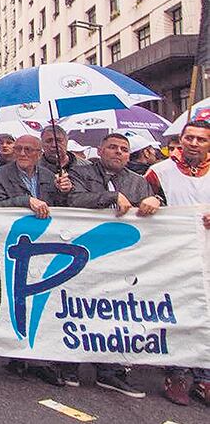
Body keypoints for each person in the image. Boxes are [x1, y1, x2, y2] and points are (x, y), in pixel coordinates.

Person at [65, 132, 160, 399]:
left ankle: (111, 370)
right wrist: (110, 196)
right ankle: (70, 362)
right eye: (113, 147)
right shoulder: (81, 174)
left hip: (122, 258)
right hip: (84, 253)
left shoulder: (139, 182)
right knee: (78, 307)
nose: (118, 152)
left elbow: (153, 212)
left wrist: (157, 201)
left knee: (115, 313)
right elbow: (74, 200)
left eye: (124, 149)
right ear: (100, 150)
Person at [0, 134, 71, 386]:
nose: (22, 153)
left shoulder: (50, 177)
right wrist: (25, 201)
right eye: (19, 149)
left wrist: (65, 192)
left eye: (29, 150)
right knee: (18, 299)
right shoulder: (0, 176)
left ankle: (41, 359)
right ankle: (18, 355)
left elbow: (66, 209)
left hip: (46, 247)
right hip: (16, 246)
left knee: (44, 301)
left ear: (39, 152)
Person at [143, 121, 210, 406]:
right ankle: (177, 373)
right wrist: (151, 201)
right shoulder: (159, 172)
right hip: (176, 255)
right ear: (180, 140)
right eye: (189, 138)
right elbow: (140, 200)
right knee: (178, 312)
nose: (194, 143)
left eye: (201, 139)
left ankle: (204, 375)